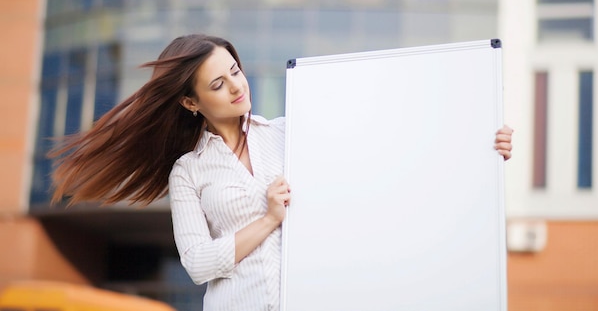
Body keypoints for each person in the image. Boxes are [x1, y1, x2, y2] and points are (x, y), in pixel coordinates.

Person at [50, 34, 514, 311]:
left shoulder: (291, 134)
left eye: (236, 71)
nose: (236, 86)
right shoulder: (188, 172)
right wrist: (270, 219)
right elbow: (197, 264)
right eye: (218, 83)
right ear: (191, 103)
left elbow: (386, 153)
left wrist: (480, 144)